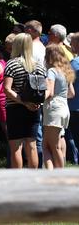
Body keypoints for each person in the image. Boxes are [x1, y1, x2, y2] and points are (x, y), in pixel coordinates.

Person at [3, 33, 46, 169]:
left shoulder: (12, 64)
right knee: (32, 145)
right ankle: (33, 178)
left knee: (16, 147)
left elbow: (7, 89)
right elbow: (42, 90)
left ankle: (18, 179)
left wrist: (23, 102)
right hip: (34, 109)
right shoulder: (39, 66)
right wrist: (35, 104)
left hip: (15, 108)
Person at [42, 44, 75, 169]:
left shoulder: (51, 71)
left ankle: (56, 174)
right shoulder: (65, 71)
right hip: (64, 108)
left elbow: (49, 92)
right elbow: (71, 94)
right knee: (59, 142)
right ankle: (59, 172)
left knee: (48, 146)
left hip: (53, 110)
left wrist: (37, 100)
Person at [67, 34, 79, 165]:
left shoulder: (75, 63)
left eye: (73, 43)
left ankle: (75, 162)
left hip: (75, 106)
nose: (70, 46)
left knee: (75, 137)